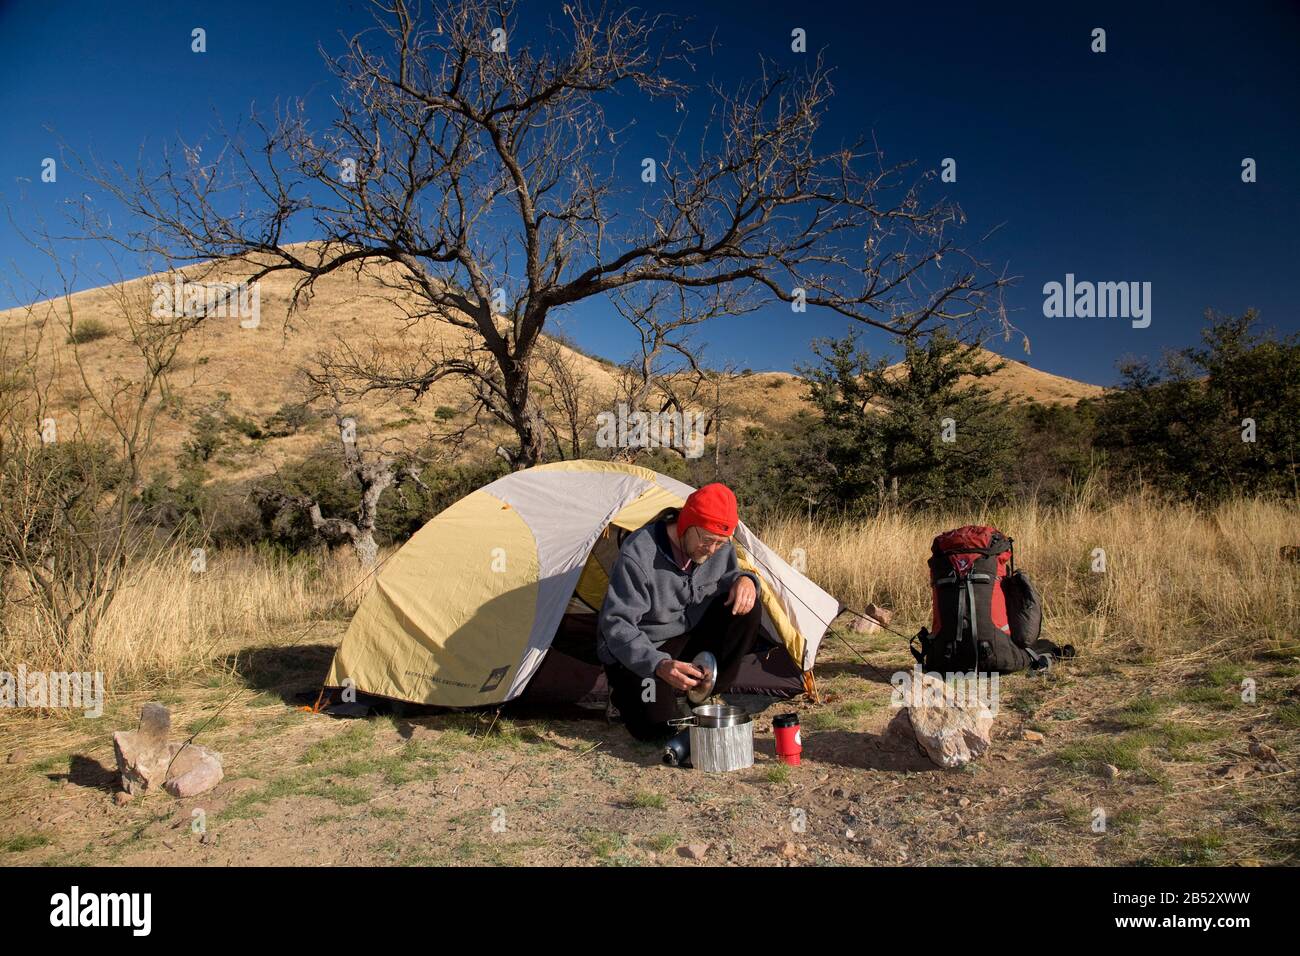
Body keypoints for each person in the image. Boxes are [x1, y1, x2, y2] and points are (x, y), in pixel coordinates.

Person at [596, 482, 763, 740]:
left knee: (748, 607)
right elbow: (617, 625)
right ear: (686, 522)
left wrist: (746, 581)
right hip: (644, 649)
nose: (711, 551)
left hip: (687, 637)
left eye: (720, 543)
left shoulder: (719, 547)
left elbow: (729, 579)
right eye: (707, 540)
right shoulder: (639, 552)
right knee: (657, 730)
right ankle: (624, 694)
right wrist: (658, 664)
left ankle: (705, 692)